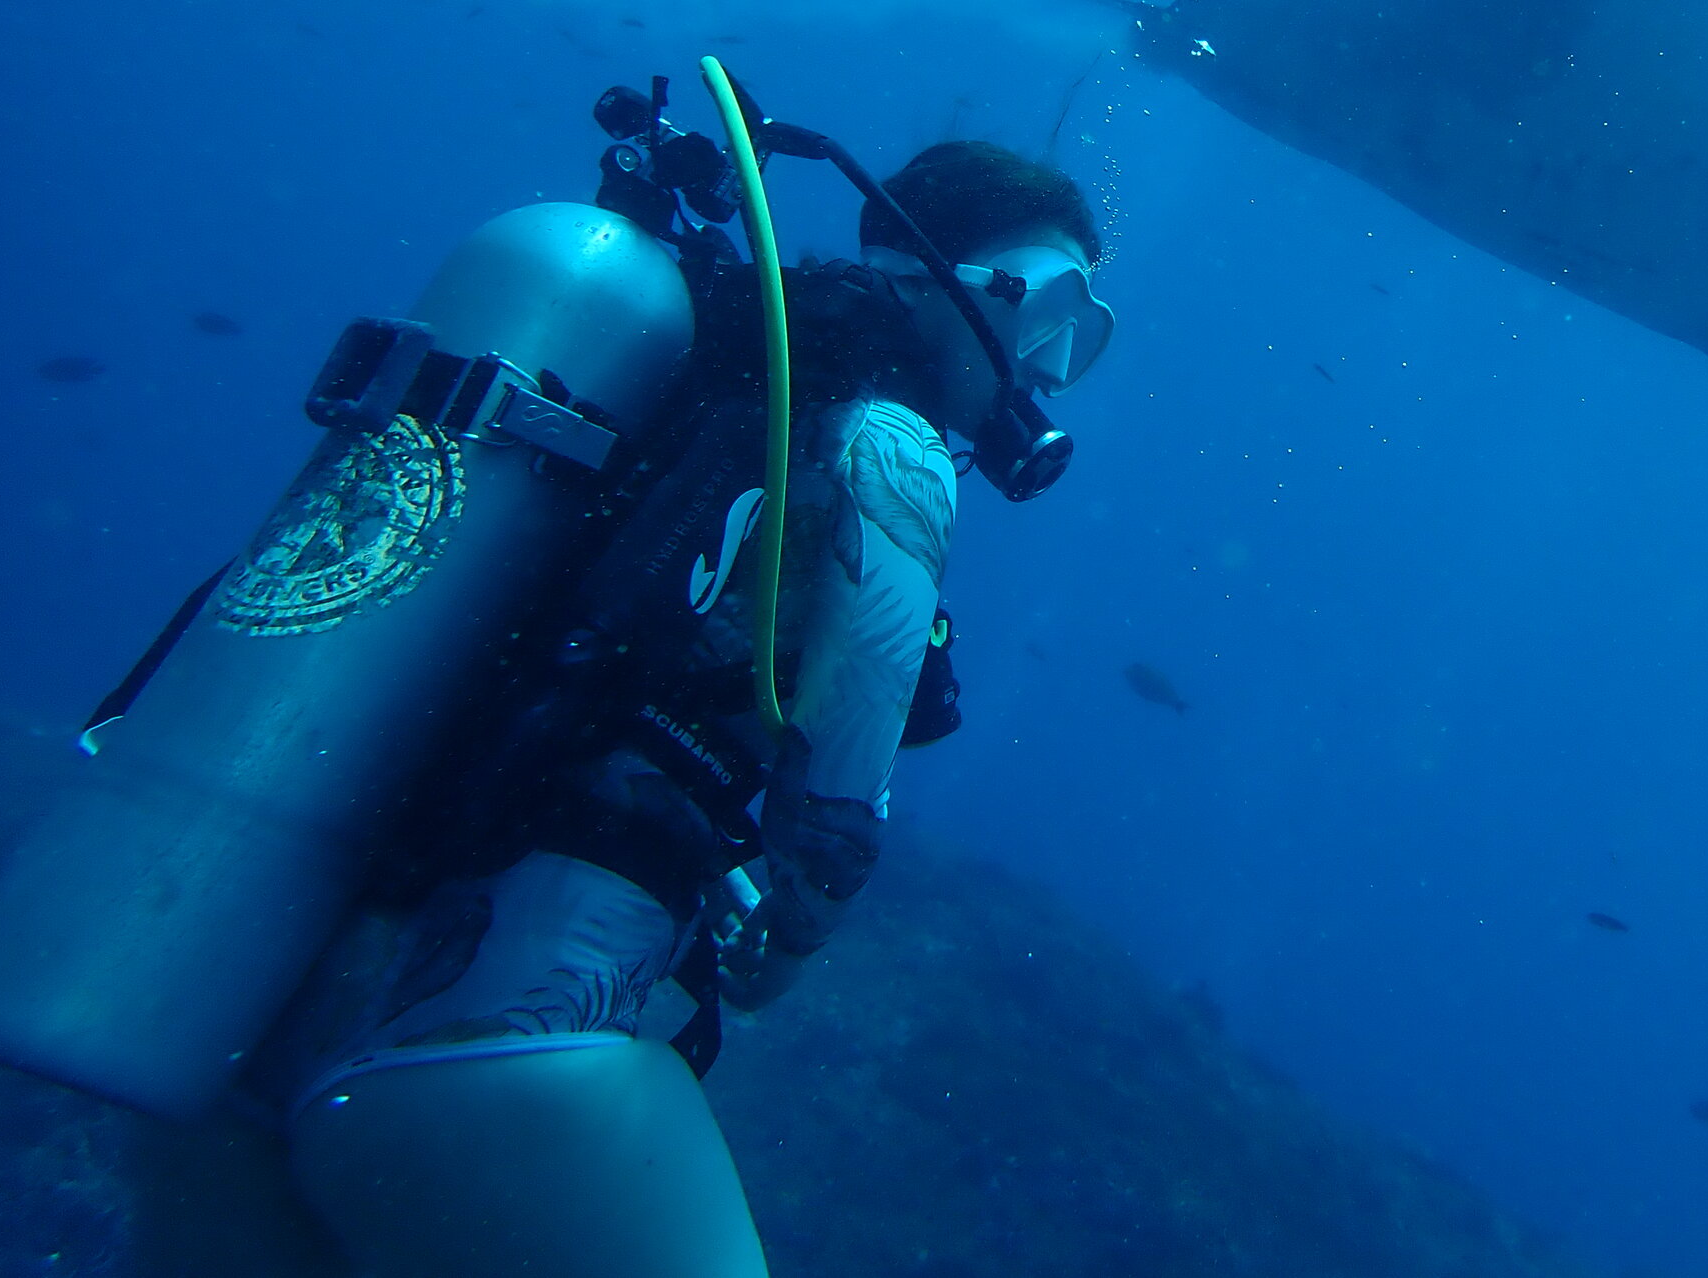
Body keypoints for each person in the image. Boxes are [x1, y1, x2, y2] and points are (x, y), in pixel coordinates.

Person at [262, 138, 1114, 1278]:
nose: (1050, 367)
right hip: (520, 1050)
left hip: (300, 1002)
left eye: (1086, 335)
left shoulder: (718, 387)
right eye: (1051, 309)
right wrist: (792, 940)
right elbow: (838, 789)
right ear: (941, 276)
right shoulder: (895, 447)